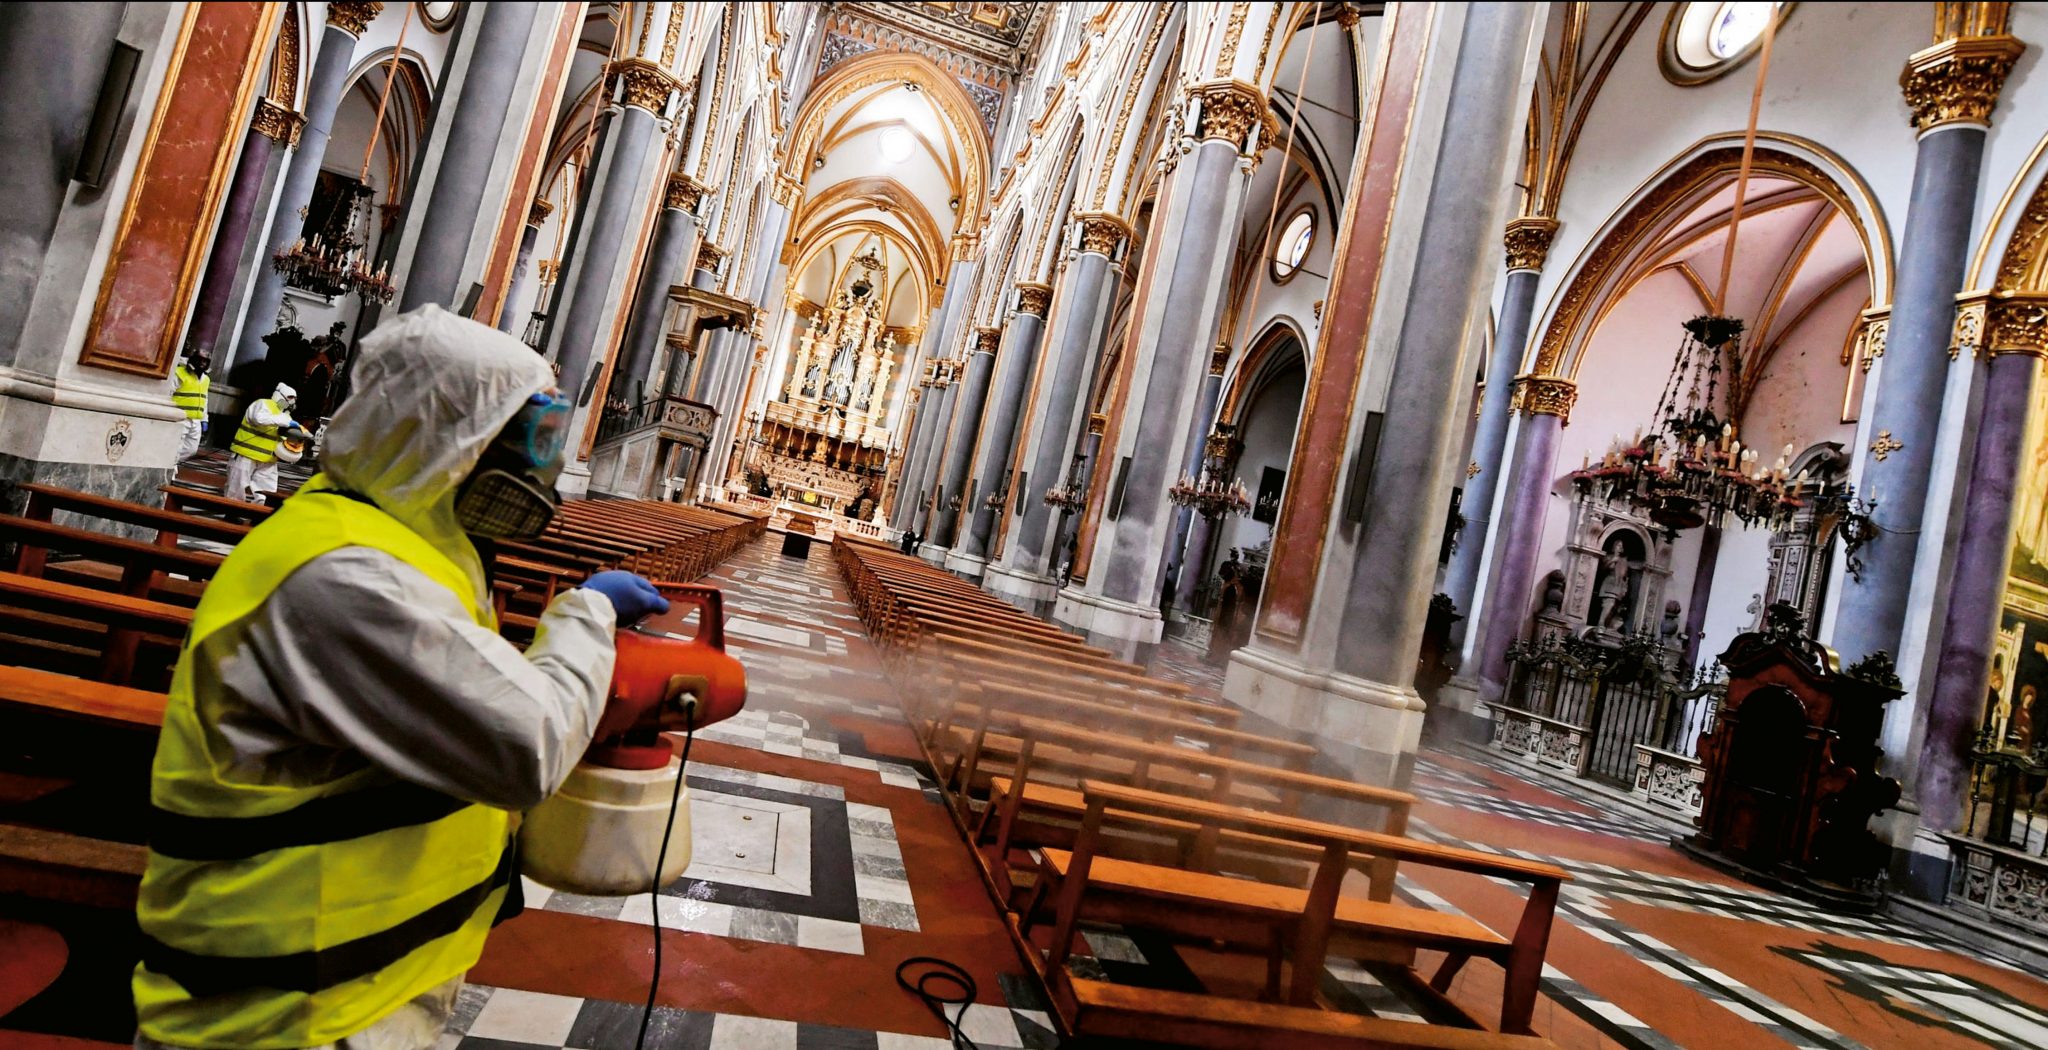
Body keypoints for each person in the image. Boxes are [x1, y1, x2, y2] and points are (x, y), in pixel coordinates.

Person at [132, 305, 674, 1050]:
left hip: (352, 984)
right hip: (283, 1014)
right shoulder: (343, 576)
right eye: (516, 446)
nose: (530, 477)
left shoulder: (409, 545)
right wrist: (586, 615)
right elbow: (529, 744)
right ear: (438, 435)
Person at [224, 383, 302, 502]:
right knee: (236, 487)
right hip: (246, 454)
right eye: (290, 397)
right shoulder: (263, 404)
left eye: (294, 399)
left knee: (266, 491)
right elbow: (259, 419)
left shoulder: (286, 416)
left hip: (268, 459)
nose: (292, 402)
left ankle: (257, 514)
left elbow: (281, 437)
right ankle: (232, 512)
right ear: (280, 395)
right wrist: (284, 422)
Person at [170, 349, 211, 461]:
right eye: (200, 360)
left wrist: (204, 419)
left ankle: (171, 461)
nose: (202, 363)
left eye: (205, 361)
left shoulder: (205, 379)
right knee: (175, 446)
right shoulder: (179, 373)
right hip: (181, 417)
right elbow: (169, 393)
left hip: (196, 420)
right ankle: (171, 469)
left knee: (191, 449)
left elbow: (204, 400)